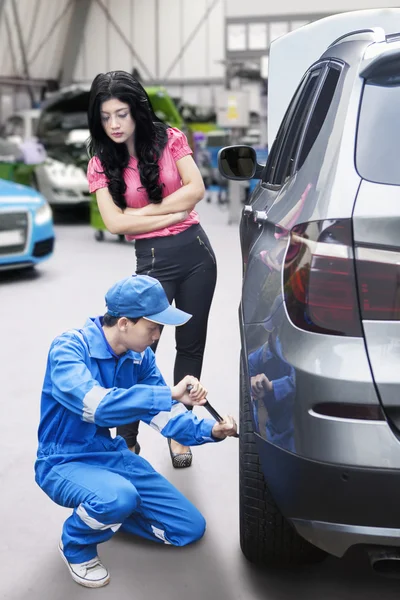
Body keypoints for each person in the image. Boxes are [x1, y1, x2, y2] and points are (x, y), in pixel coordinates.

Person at [34, 274, 237, 589]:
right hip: (62, 461)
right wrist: (169, 393)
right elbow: (97, 406)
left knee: (188, 528)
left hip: (108, 455)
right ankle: (76, 544)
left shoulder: (139, 358)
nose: (156, 337)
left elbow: (164, 418)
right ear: (125, 323)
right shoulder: (69, 348)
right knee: (119, 497)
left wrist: (213, 429)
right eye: (152, 328)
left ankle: (108, 508)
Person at [86, 71, 217, 468]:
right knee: (139, 352)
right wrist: (172, 210)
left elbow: (196, 190)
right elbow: (115, 223)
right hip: (153, 263)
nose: (114, 124)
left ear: (136, 111)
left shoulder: (169, 139)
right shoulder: (99, 162)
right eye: (106, 116)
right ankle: (127, 439)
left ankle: (180, 431)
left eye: (121, 113)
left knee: (191, 347)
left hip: (197, 254)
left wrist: (141, 212)